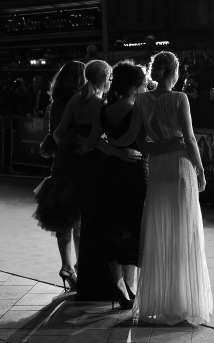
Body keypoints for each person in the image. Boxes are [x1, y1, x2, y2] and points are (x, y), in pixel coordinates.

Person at [109, 51, 213, 325]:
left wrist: (104, 142)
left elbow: (136, 141)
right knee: (183, 231)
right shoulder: (180, 98)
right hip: (180, 168)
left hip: (156, 168)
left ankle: (161, 301)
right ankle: (182, 302)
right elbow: (189, 139)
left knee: (160, 229)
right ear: (173, 72)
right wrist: (200, 169)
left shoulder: (141, 100)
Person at [53, 59, 140, 301]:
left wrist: (71, 152)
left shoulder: (75, 100)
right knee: (96, 223)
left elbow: (58, 134)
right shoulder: (99, 103)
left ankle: (83, 276)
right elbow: (98, 141)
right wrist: (118, 152)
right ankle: (104, 281)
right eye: (110, 77)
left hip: (73, 167)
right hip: (97, 168)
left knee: (82, 223)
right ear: (105, 79)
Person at [32, 61, 86, 292]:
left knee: (64, 219)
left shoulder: (55, 105)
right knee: (80, 220)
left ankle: (67, 267)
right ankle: (80, 267)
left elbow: (53, 139)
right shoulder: (80, 105)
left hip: (61, 166)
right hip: (78, 164)